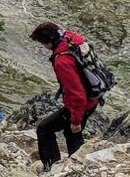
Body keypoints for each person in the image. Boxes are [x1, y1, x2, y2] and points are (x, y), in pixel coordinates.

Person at [30, 21, 99, 168]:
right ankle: (78, 167)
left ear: (49, 41)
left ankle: (52, 168)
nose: (45, 47)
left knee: (44, 129)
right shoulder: (71, 38)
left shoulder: (62, 61)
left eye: (44, 44)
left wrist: (75, 120)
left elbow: (77, 95)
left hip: (81, 103)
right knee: (72, 134)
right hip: (93, 98)